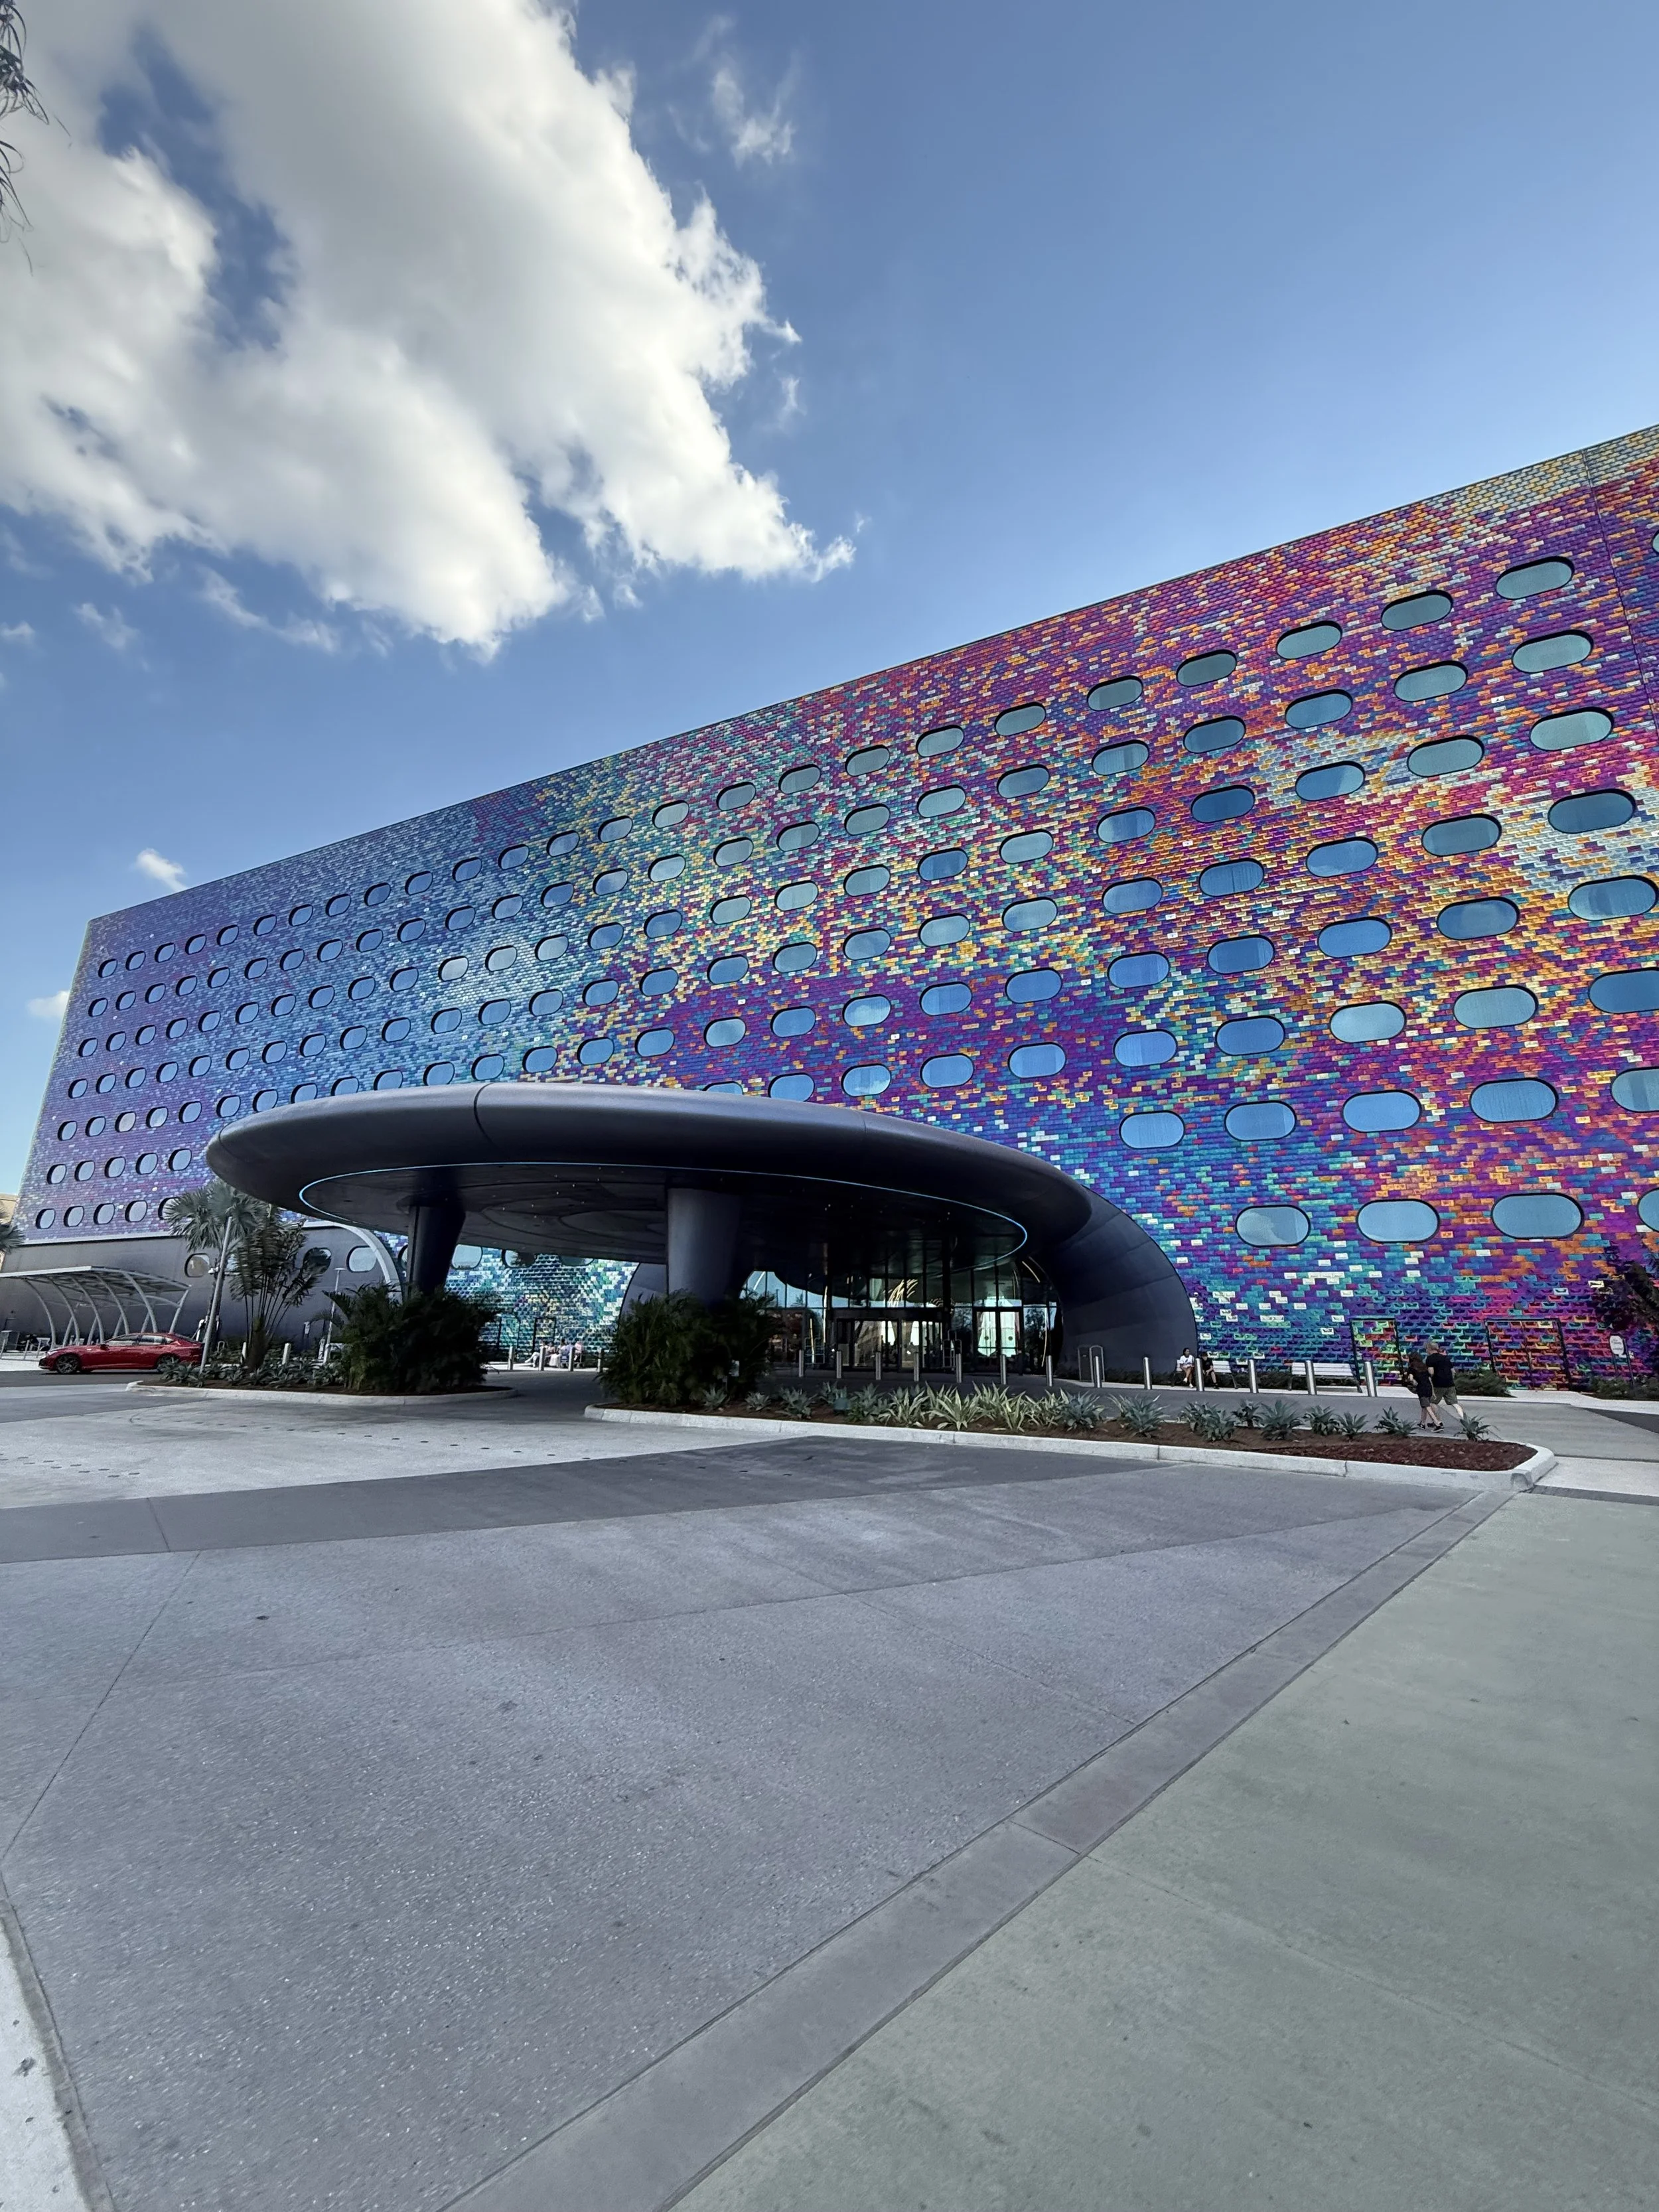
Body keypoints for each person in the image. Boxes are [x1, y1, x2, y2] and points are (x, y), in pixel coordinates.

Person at [1406, 1351, 1441, 1428]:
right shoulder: (1424, 1367)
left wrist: (1411, 1381)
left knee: (1427, 1406)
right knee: (1424, 1406)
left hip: (1421, 1388)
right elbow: (1429, 1379)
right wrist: (1433, 1392)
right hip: (1428, 1387)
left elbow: (1411, 1379)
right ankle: (1423, 1423)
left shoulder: (1412, 1368)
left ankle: (1437, 1424)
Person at [1426, 1343, 1461, 1418]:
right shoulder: (1446, 1358)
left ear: (1430, 1349)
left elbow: (1431, 1372)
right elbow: (1453, 1372)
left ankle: (1438, 1422)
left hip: (1438, 1384)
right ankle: (1464, 1419)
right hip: (1450, 1384)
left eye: (1427, 1349)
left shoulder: (1430, 1358)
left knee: (1432, 1403)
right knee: (1455, 1403)